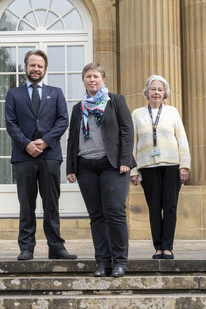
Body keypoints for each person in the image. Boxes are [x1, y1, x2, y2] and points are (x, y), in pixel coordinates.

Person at [5, 49, 76, 261]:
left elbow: (63, 120)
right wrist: (27, 144)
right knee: (26, 204)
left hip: (50, 156)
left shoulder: (55, 93)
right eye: (32, 65)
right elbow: (10, 123)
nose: (36, 69)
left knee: (51, 204)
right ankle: (26, 248)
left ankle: (56, 247)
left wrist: (44, 142)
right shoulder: (13, 94)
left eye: (40, 66)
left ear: (45, 69)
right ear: (26, 67)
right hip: (24, 157)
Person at [66, 62, 135, 277]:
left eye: (96, 76)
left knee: (114, 212)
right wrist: (71, 167)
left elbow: (127, 130)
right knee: (96, 216)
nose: (92, 80)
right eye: (88, 76)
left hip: (112, 164)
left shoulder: (116, 101)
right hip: (86, 166)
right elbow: (72, 138)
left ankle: (120, 262)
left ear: (103, 79)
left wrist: (125, 159)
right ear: (83, 80)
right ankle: (103, 262)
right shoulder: (79, 107)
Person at [130, 75, 190, 260]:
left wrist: (185, 166)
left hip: (172, 165)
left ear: (165, 93)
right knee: (154, 206)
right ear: (147, 91)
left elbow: (182, 139)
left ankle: (168, 247)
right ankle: (158, 247)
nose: (156, 92)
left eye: (160, 89)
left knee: (170, 206)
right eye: (153, 89)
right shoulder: (137, 113)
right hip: (147, 166)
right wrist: (133, 170)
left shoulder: (172, 112)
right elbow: (132, 142)